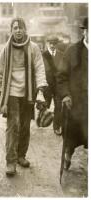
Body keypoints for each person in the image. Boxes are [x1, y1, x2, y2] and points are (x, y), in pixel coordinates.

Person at [0, 17, 48, 176]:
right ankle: (10, 162)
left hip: (28, 93)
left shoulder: (33, 48)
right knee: (13, 126)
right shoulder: (6, 49)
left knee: (25, 125)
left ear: (25, 30)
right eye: (15, 28)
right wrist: (0, 89)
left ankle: (21, 156)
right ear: (11, 30)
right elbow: (1, 69)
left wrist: (40, 90)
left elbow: (39, 68)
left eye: (20, 28)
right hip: (11, 92)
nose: (18, 30)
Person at [56, 17, 88, 170]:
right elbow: (61, 77)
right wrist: (66, 95)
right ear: (85, 31)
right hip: (76, 104)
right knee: (72, 137)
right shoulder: (72, 51)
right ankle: (68, 153)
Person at [42, 35, 63, 135]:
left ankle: (56, 126)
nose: (52, 45)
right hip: (46, 85)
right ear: (47, 44)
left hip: (58, 85)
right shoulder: (43, 55)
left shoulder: (62, 55)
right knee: (45, 104)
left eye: (54, 43)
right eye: (50, 43)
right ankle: (42, 119)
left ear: (57, 44)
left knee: (58, 106)